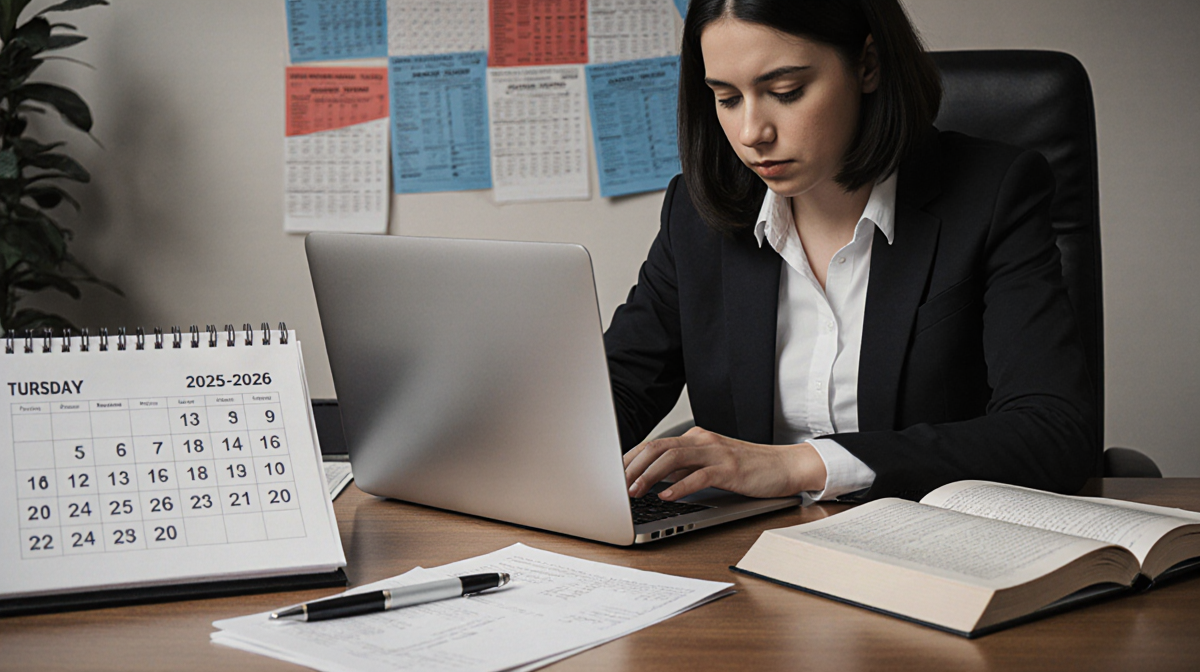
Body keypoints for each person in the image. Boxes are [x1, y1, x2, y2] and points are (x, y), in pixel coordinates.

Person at [608, 0, 1097, 505]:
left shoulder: (992, 195)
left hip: (930, 547)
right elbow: (617, 392)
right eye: (728, 98)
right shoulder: (697, 215)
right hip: (744, 552)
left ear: (867, 65)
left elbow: (1053, 433)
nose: (753, 132)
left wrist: (800, 464)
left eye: (786, 92)